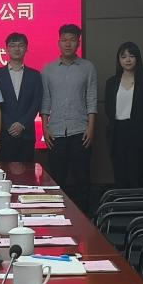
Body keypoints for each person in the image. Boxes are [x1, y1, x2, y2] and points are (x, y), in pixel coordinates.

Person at [41, 23, 98, 212]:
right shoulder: (48, 70)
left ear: (78, 43)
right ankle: (59, 215)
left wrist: (91, 127)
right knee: (57, 178)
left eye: (72, 40)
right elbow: (46, 100)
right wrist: (45, 128)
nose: (68, 44)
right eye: (64, 40)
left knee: (82, 178)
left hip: (80, 130)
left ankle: (85, 217)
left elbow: (91, 98)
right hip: (56, 131)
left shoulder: (87, 68)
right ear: (58, 43)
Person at [103, 42, 143, 188]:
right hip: (117, 132)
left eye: (132, 56)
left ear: (138, 58)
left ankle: (136, 202)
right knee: (120, 175)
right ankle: (121, 202)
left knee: (136, 174)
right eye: (123, 56)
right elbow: (108, 108)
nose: (128, 60)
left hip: (139, 131)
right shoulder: (112, 82)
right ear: (119, 59)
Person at [0, 32, 42, 162]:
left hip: (27, 134)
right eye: (13, 45)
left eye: (21, 45)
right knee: (5, 171)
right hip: (4, 134)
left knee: (27, 172)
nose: (17, 49)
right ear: (7, 49)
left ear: (26, 48)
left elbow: (36, 102)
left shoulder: (35, 75)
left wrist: (23, 124)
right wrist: (8, 124)